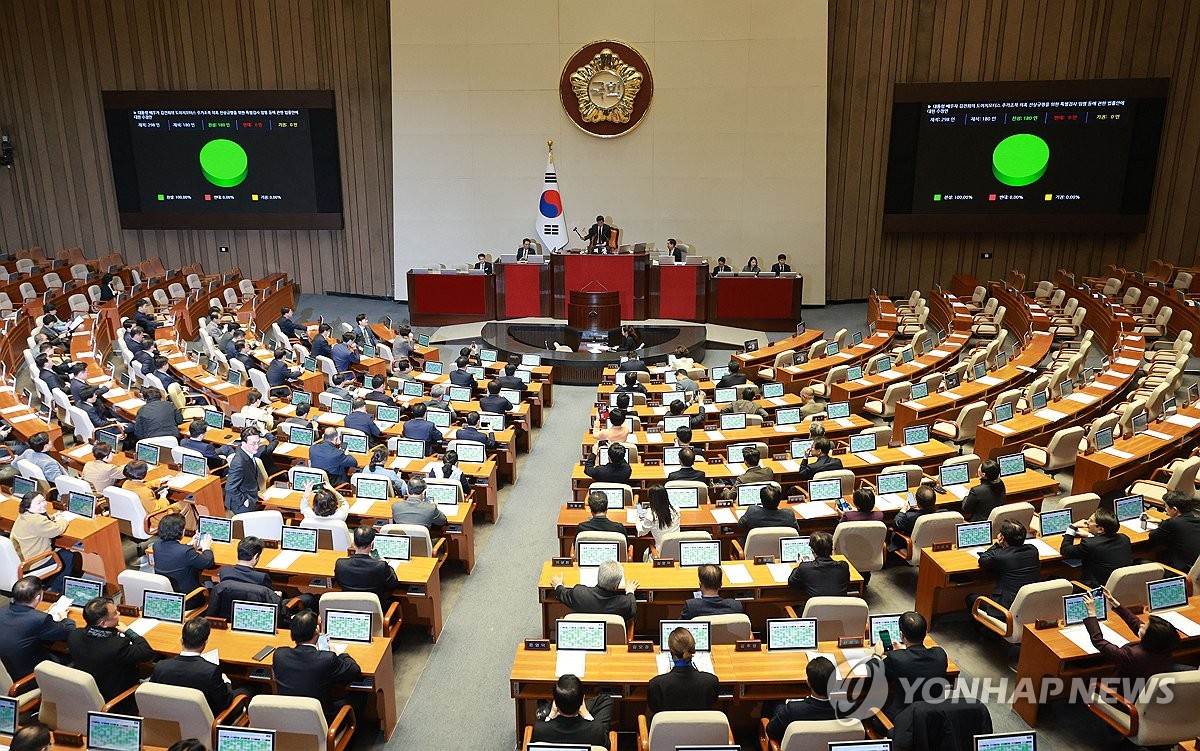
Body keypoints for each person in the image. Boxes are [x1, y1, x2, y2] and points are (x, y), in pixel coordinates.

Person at [272, 610, 364, 719]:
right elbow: (355, 671)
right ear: (317, 631)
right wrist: (339, 654)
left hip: (288, 718)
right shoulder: (327, 658)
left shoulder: (279, 655)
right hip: (322, 720)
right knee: (360, 695)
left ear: (292, 636)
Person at [68, 596, 155, 708]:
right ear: (103, 623)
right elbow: (147, 653)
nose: (118, 613)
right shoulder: (117, 646)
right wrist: (129, 632)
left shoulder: (74, 635)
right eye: (115, 613)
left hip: (88, 693)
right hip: (118, 699)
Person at [1082, 588, 1180, 685]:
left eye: (1144, 627)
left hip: (1122, 695)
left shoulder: (1131, 656)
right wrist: (1115, 603)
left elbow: (1098, 641)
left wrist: (1091, 614)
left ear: (1149, 638)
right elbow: (1136, 624)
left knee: (1087, 683)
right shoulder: (1164, 645)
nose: (1141, 624)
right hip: (1149, 692)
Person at [871, 611, 950, 719]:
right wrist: (905, 651)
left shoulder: (896, 659)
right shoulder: (940, 654)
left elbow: (872, 671)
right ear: (925, 633)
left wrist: (877, 654)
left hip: (903, 722)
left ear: (901, 635)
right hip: (934, 720)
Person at [150, 617, 238, 713]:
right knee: (247, 689)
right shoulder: (211, 671)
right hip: (207, 722)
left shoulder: (161, 666)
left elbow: (150, 695)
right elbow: (224, 702)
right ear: (205, 643)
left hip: (169, 719)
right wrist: (227, 682)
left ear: (181, 640)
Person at [0, 576, 75, 679]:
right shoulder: (40, 619)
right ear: (38, 598)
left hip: (7, 671)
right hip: (28, 675)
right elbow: (69, 631)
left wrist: (41, 615)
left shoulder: (2, 611)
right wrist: (65, 618)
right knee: (70, 656)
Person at [970, 520, 1040, 617]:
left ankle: (986, 630)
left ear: (1002, 538)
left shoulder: (1001, 556)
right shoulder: (1033, 550)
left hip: (1005, 610)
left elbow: (983, 560)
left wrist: (998, 544)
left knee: (971, 598)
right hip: (1029, 605)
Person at [12, 491, 77, 592]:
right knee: (69, 556)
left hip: (21, 558)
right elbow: (58, 529)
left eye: (43, 501)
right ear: (28, 506)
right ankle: (54, 590)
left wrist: (54, 517)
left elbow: (42, 523)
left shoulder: (24, 515)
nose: (43, 504)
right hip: (34, 562)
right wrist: (63, 520)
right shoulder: (37, 521)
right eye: (38, 503)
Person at [764, 656, 838, 742]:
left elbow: (771, 731)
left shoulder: (792, 710)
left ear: (808, 683)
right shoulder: (849, 709)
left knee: (774, 703)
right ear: (835, 682)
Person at [530, 674, 614, 747]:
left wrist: (550, 716)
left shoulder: (540, 730)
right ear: (582, 701)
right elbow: (606, 746)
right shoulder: (596, 731)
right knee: (605, 699)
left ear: (555, 703)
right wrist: (586, 715)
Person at [648, 627, 719, 712]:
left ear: (671, 652)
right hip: (699, 725)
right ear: (693, 650)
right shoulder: (711, 682)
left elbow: (654, 708)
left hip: (668, 725)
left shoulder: (656, 685)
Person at [1060, 508, 1133, 587]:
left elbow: (1065, 550)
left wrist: (1072, 527)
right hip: (1121, 586)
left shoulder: (1089, 544)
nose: (1087, 522)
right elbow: (1101, 543)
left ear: (1101, 529)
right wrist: (1090, 536)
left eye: (1091, 521)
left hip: (1097, 588)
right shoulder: (1124, 538)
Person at [550, 559, 637, 620]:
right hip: (614, 638)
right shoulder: (624, 603)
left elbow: (563, 594)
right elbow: (632, 609)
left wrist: (558, 584)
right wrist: (630, 591)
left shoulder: (579, 594)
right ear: (616, 586)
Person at [334, 526, 400, 605]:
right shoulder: (381, 566)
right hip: (377, 608)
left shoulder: (340, 564)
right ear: (371, 544)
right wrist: (385, 563)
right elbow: (393, 584)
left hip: (350, 607)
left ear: (353, 543)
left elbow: (338, 582)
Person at [153, 512, 215, 593]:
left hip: (168, 593)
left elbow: (175, 553)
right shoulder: (186, 552)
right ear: (181, 531)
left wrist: (189, 545)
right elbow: (208, 562)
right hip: (189, 597)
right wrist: (206, 548)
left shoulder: (156, 545)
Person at [1147, 491, 1200, 572]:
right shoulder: (1196, 519)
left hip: (1183, 570)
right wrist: (1161, 521)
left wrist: (1164, 524)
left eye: (1166, 507)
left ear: (1175, 509)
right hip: (1195, 566)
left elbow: (1152, 536)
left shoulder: (1172, 523)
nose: (1165, 509)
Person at [788, 531, 850, 597]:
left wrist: (798, 566)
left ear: (812, 550)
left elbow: (792, 582)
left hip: (814, 607)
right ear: (832, 549)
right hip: (838, 607)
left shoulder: (805, 568)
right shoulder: (843, 566)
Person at [224, 429, 265, 515]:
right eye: (253, 444)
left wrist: (256, 493)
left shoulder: (246, 453)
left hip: (251, 495)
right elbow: (230, 487)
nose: (257, 446)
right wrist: (244, 500)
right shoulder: (239, 462)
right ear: (243, 443)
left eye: (258, 442)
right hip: (240, 505)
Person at [890, 485, 938, 552]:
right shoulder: (943, 513)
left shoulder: (909, 517)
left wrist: (904, 509)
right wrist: (920, 509)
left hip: (910, 546)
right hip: (932, 544)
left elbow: (896, 524)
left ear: (917, 502)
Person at [636, 485, 681, 554]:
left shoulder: (651, 516)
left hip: (660, 553)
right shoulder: (676, 510)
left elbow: (642, 532)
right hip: (678, 550)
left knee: (645, 553)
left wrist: (638, 520)